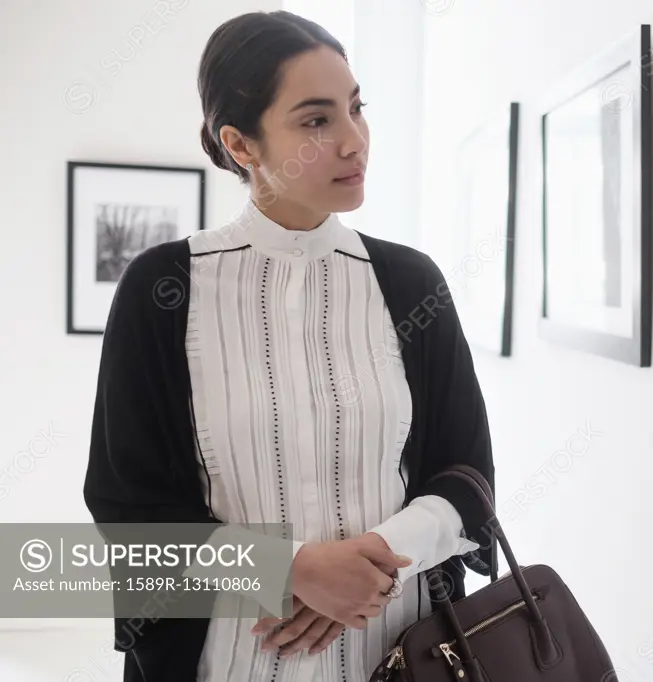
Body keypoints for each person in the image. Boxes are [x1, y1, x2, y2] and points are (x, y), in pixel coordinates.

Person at [83, 10, 496, 682]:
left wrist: (369, 563)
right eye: (316, 120)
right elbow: (129, 512)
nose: (354, 140)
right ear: (241, 145)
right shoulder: (164, 288)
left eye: (356, 108)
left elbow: (468, 478)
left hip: (402, 659)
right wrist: (294, 569)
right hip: (225, 664)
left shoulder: (409, 282)